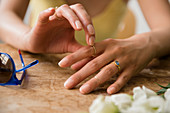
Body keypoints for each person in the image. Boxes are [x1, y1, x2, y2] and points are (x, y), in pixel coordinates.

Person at [0, 0, 170, 95]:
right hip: (41, 72)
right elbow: (3, 15)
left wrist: (146, 43)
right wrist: (28, 38)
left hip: (104, 77)